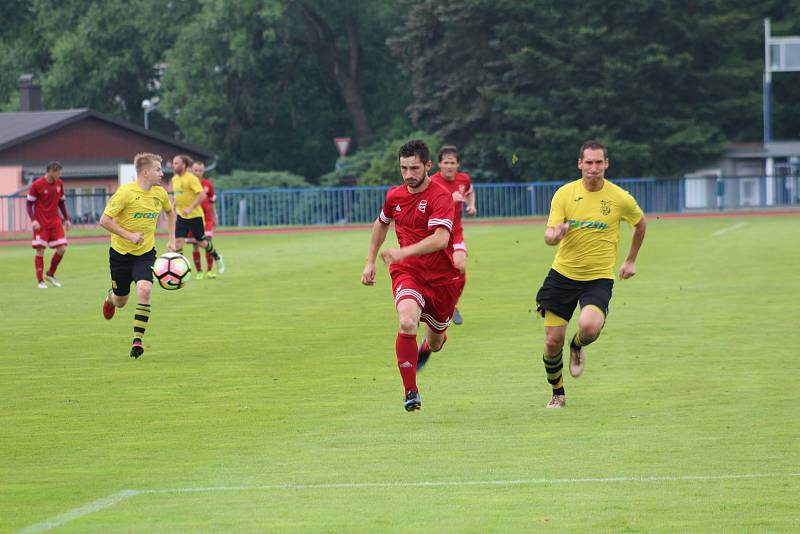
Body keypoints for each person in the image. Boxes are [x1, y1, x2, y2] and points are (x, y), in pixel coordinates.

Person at [535, 140, 647, 408]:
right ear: (580, 164)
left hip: (598, 277)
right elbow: (549, 236)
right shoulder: (564, 194)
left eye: (599, 162)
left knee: (589, 326)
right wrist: (556, 235)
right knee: (552, 342)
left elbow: (640, 224)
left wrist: (630, 260)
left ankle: (577, 345)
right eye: (589, 163)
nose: (594, 168)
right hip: (562, 275)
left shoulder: (620, 198)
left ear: (606, 164)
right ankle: (558, 393)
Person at [361, 139, 464, 412]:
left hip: (442, 279)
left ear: (428, 166)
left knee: (436, 342)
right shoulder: (394, 196)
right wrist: (370, 261)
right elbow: (381, 224)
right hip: (408, 273)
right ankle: (411, 391)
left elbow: (441, 239)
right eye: (404, 168)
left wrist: (403, 252)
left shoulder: (440, 196)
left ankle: (434, 340)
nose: (408, 175)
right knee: (407, 321)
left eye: (414, 168)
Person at [99, 153, 176, 359]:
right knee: (121, 300)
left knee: (144, 288)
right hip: (120, 254)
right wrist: (129, 235)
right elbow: (104, 220)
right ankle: (110, 298)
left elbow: (170, 212)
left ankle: (137, 340)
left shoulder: (160, 193)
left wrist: (171, 239)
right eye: (158, 169)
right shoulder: (124, 194)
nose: (162, 173)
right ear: (145, 172)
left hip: (145, 253)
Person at [430, 145, 477, 325]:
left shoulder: (463, 179)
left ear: (458, 165)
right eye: (446, 162)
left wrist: (471, 205)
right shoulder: (432, 182)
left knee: (460, 266)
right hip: (436, 234)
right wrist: (450, 198)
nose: (449, 166)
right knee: (435, 274)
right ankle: (429, 307)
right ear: (439, 164)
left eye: (452, 163)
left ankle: (453, 305)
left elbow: (470, 191)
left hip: (455, 233)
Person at [171, 154, 224, 274]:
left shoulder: (191, 179)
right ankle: (181, 270)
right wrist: (174, 205)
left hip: (195, 216)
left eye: (176, 163)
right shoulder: (174, 179)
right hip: (181, 216)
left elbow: (202, 195)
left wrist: (190, 208)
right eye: (174, 163)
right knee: (178, 243)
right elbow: (178, 195)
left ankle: (217, 256)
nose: (174, 165)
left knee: (201, 243)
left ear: (184, 165)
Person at [26, 161, 71, 288]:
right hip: (41, 223)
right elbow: (29, 203)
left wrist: (66, 219)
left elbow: (61, 202)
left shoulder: (59, 184)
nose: (60, 175)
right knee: (40, 250)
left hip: (55, 222)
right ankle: (40, 281)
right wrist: (33, 220)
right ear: (51, 171)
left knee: (62, 249)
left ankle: (50, 274)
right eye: (58, 172)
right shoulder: (37, 184)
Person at [186, 160, 219, 279]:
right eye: (196, 170)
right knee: (195, 245)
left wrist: (215, 215)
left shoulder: (207, 184)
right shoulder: (188, 184)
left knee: (207, 243)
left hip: (207, 218)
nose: (198, 172)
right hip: (193, 218)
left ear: (203, 171)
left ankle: (210, 270)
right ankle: (199, 271)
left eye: (200, 170)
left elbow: (211, 201)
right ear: (192, 170)